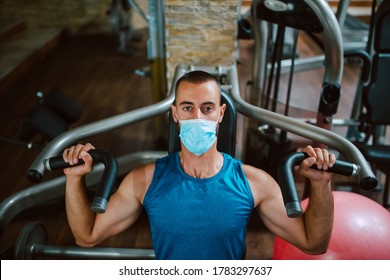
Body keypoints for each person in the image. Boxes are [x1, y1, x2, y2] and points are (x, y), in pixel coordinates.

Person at [63, 70, 335, 260]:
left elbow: (313, 243)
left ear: (220, 113)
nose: (197, 116)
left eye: (206, 108)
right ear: (175, 114)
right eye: (187, 108)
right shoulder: (144, 180)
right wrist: (74, 179)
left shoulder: (254, 183)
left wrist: (321, 185)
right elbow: (87, 236)